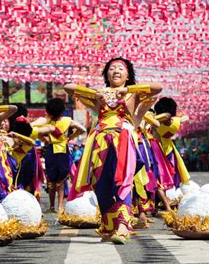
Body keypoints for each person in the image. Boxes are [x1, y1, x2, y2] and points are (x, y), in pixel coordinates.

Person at [65, 57, 162, 244]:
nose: (115, 71)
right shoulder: (99, 94)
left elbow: (157, 88)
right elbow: (69, 87)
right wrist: (94, 95)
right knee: (100, 183)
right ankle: (109, 225)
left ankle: (124, 226)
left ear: (127, 75)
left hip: (123, 139)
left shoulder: (133, 95)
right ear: (106, 74)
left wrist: (129, 89)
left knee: (123, 180)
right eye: (111, 68)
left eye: (120, 68)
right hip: (100, 140)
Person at [43, 98, 86, 213]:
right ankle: (60, 206)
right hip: (63, 150)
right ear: (62, 110)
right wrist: (69, 138)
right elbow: (82, 129)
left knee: (51, 180)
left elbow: (36, 131)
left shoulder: (47, 122)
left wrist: (44, 140)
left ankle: (52, 207)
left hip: (51, 150)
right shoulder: (67, 120)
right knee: (61, 180)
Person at [153, 97, 191, 188]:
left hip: (155, 149)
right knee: (171, 172)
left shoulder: (154, 122)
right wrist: (177, 116)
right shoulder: (174, 123)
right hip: (167, 149)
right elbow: (185, 118)